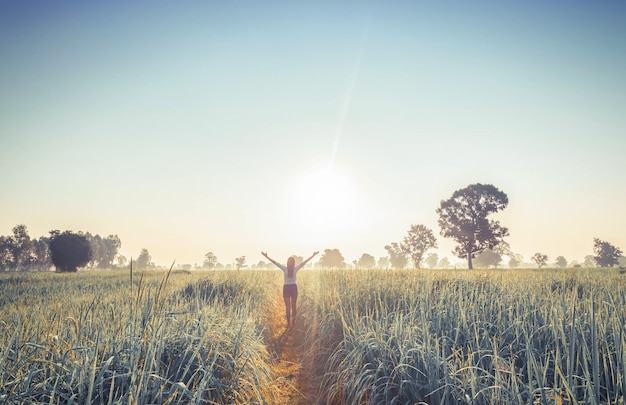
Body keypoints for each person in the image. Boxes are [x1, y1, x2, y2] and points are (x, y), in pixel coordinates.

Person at [262, 251, 319, 328]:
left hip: (286, 288)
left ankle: (288, 324)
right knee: (294, 306)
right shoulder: (295, 269)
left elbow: (275, 262)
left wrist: (266, 256)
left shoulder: (284, 269)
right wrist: (313, 255)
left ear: (287, 262)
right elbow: (304, 262)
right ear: (294, 263)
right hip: (293, 287)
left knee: (287, 307)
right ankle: (293, 323)